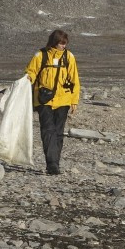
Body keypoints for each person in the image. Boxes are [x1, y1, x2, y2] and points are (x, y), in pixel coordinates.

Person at [25, 29, 80, 175]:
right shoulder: (41, 55)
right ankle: (52, 164)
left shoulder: (69, 57)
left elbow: (75, 79)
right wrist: (28, 78)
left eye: (65, 43)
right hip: (43, 99)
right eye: (61, 43)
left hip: (63, 99)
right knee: (47, 130)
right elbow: (31, 71)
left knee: (58, 132)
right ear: (54, 42)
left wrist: (74, 100)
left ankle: (55, 162)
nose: (63, 46)